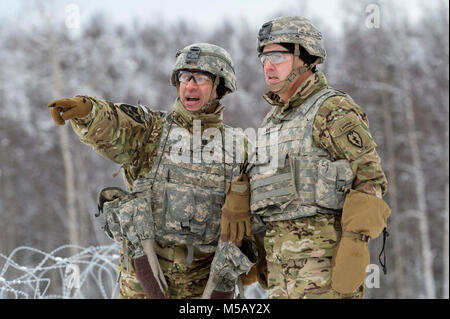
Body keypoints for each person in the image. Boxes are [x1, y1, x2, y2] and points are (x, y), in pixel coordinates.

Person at [47, 43, 254, 299]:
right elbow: (117, 123)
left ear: (220, 85)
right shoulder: (152, 130)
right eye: (183, 77)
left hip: (204, 287)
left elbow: (262, 214)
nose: (189, 85)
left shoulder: (239, 147)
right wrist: (88, 111)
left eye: (199, 78)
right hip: (143, 285)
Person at [246, 16, 391, 299]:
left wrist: (355, 242)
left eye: (277, 55)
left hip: (325, 270)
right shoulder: (271, 122)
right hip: (280, 272)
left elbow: (370, 178)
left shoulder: (332, 109)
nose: (268, 65)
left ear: (304, 57)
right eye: (263, 57)